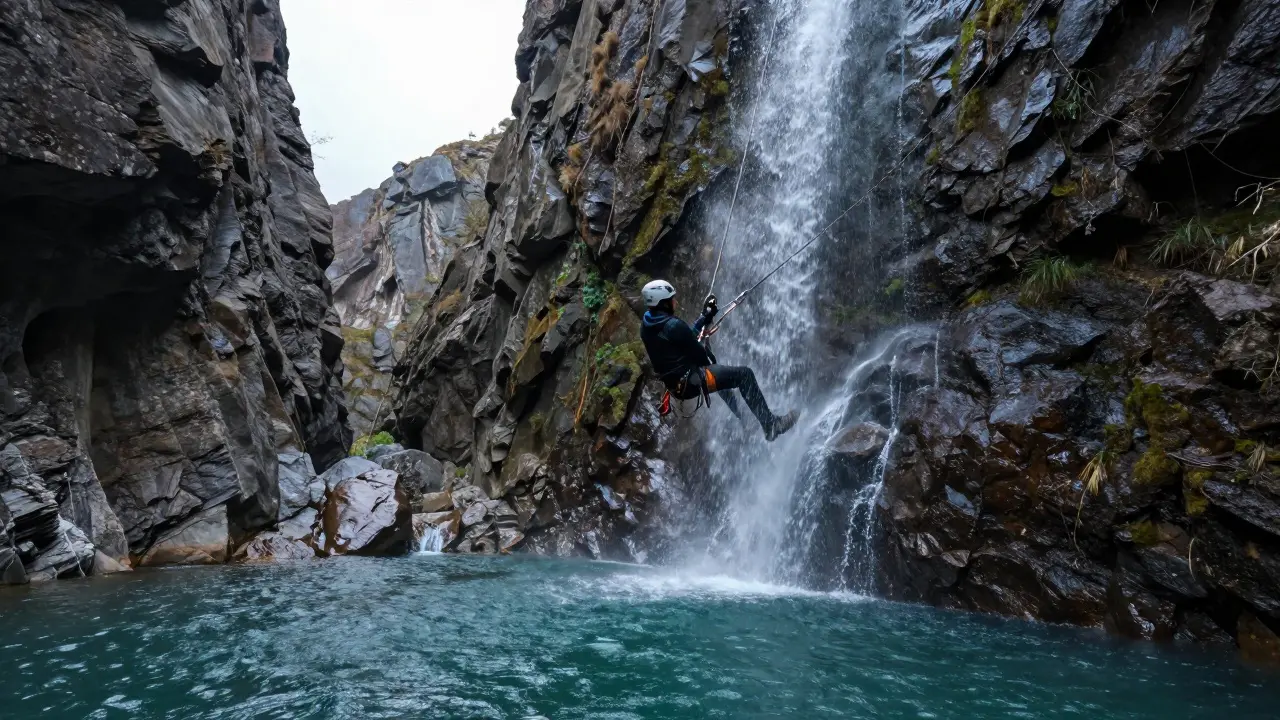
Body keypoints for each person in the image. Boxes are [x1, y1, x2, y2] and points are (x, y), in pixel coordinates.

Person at [639, 279, 798, 441]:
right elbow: (699, 354)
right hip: (689, 382)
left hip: (677, 384)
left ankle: (743, 417)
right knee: (744, 375)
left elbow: (682, 338)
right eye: (671, 299)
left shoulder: (647, 325)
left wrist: (704, 318)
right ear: (663, 303)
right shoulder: (673, 325)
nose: (675, 301)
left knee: (719, 374)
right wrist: (703, 341)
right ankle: (770, 425)